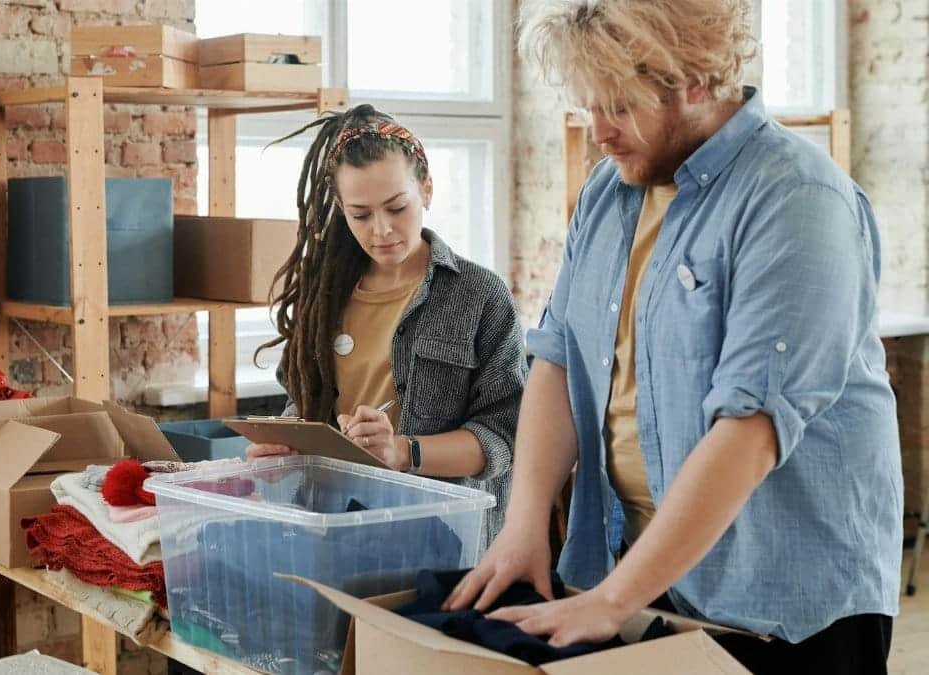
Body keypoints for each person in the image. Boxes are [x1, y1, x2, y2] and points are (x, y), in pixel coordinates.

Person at [443, 2, 902, 673]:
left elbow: (750, 431)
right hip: (640, 577)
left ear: (695, 78)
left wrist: (611, 600)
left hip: (784, 602)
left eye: (619, 106)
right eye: (587, 105)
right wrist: (524, 522)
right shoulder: (609, 190)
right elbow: (560, 356)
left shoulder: (797, 200)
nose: (598, 131)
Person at [246, 104, 528, 547]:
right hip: (328, 529)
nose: (382, 230)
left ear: (426, 190)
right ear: (340, 208)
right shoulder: (323, 297)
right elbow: (301, 405)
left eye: (397, 207)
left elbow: (503, 439)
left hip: (443, 541)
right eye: (360, 214)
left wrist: (402, 451)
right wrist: (281, 453)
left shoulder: (479, 296)